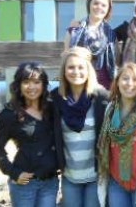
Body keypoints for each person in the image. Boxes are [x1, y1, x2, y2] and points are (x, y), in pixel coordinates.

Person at [0, 62, 61, 207]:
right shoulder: (9, 114)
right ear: (19, 85)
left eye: (37, 82)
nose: (31, 87)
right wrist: (13, 173)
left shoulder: (52, 108)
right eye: (26, 82)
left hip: (50, 181)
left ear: (43, 84)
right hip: (25, 184)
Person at [52, 47, 110, 207]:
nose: (76, 72)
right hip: (69, 176)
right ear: (64, 71)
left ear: (88, 70)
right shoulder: (56, 98)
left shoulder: (101, 98)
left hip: (95, 175)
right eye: (71, 67)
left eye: (81, 67)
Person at [97, 63, 136, 207]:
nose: (129, 84)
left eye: (135, 79)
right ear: (117, 82)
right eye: (125, 78)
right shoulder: (110, 109)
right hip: (116, 182)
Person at [64, 0, 117, 89]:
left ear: (108, 9)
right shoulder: (74, 31)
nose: (99, 7)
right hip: (79, 84)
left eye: (103, 5)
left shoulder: (111, 34)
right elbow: (66, 61)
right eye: (96, 3)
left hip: (104, 87)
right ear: (89, 5)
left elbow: (114, 64)